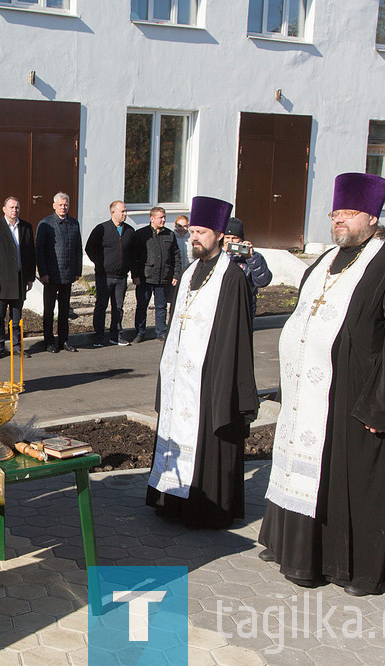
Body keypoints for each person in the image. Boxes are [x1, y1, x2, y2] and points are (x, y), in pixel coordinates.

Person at [259, 173, 385, 597]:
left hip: (358, 399)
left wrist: (384, 408)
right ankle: (294, 552)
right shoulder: (323, 262)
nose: (339, 221)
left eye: (348, 214)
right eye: (336, 213)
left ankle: (356, 570)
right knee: (304, 470)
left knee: (352, 485)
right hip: (310, 395)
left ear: (372, 217)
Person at [145, 196, 258, 529]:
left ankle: (203, 509)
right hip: (181, 374)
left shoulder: (231, 277)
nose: (194, 237)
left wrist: (222, 387)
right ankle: (171, 501)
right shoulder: (192, 270)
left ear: (220, 234)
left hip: (210, 377)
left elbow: (235, 338)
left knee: (203, 435)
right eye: (192, 231)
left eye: (202, 232)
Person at [0, 196, 36, 358]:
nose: (15, 210)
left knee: (16, 317)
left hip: (19, 281)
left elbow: (31, 254)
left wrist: (30, 278)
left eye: (17, 207)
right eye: (11, 207)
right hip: (1, 282)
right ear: (4, 209)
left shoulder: (26, 227)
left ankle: (17, 346)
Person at [36, 192, 82, 353]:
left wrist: (78, 271)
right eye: (60, 205)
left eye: (66, 205)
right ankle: (49, 342)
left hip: (68, 275)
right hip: (51, 275)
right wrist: (43, 273)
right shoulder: (46, 224)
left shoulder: (74, 224)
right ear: (54, 205)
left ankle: (64, 341)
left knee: (64, 311)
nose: (63, 207)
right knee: (49, 311)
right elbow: (39, 251)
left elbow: (77, 249)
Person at [85, 200, 135, 347]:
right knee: (101, 306)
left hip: (121, 277)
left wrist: (130, 269)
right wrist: (100, 264)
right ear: (113, 212)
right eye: (123, 211)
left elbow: (132, 252)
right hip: (104, 276)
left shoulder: (130, 231)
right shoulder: (102, 229)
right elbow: (89, 248)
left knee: (118, 307)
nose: (125, 214)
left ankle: (116, 335)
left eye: (126, 211)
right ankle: (99, 337)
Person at [132, 206, 181, 343]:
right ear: (152, 218)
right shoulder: (141, 234)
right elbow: (134, 257)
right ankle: (140, 332)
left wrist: (176, 274)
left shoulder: (170, 235)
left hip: (163, 277)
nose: (163, 220)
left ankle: (161, 332)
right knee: (142, 306)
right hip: (145, 277)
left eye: (164, 217)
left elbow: (176, 256)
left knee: (161, 306)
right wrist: (135, 275)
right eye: (161, 217)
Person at [223, 217, 272, 324]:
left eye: (234, 238)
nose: (230, 241)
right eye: (227, 237)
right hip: (222, 307)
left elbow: (262, 281)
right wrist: (223, 255)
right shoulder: (218, 256)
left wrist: (250, 257)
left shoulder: (253, 257)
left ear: (241, 240)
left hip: (244, 307)